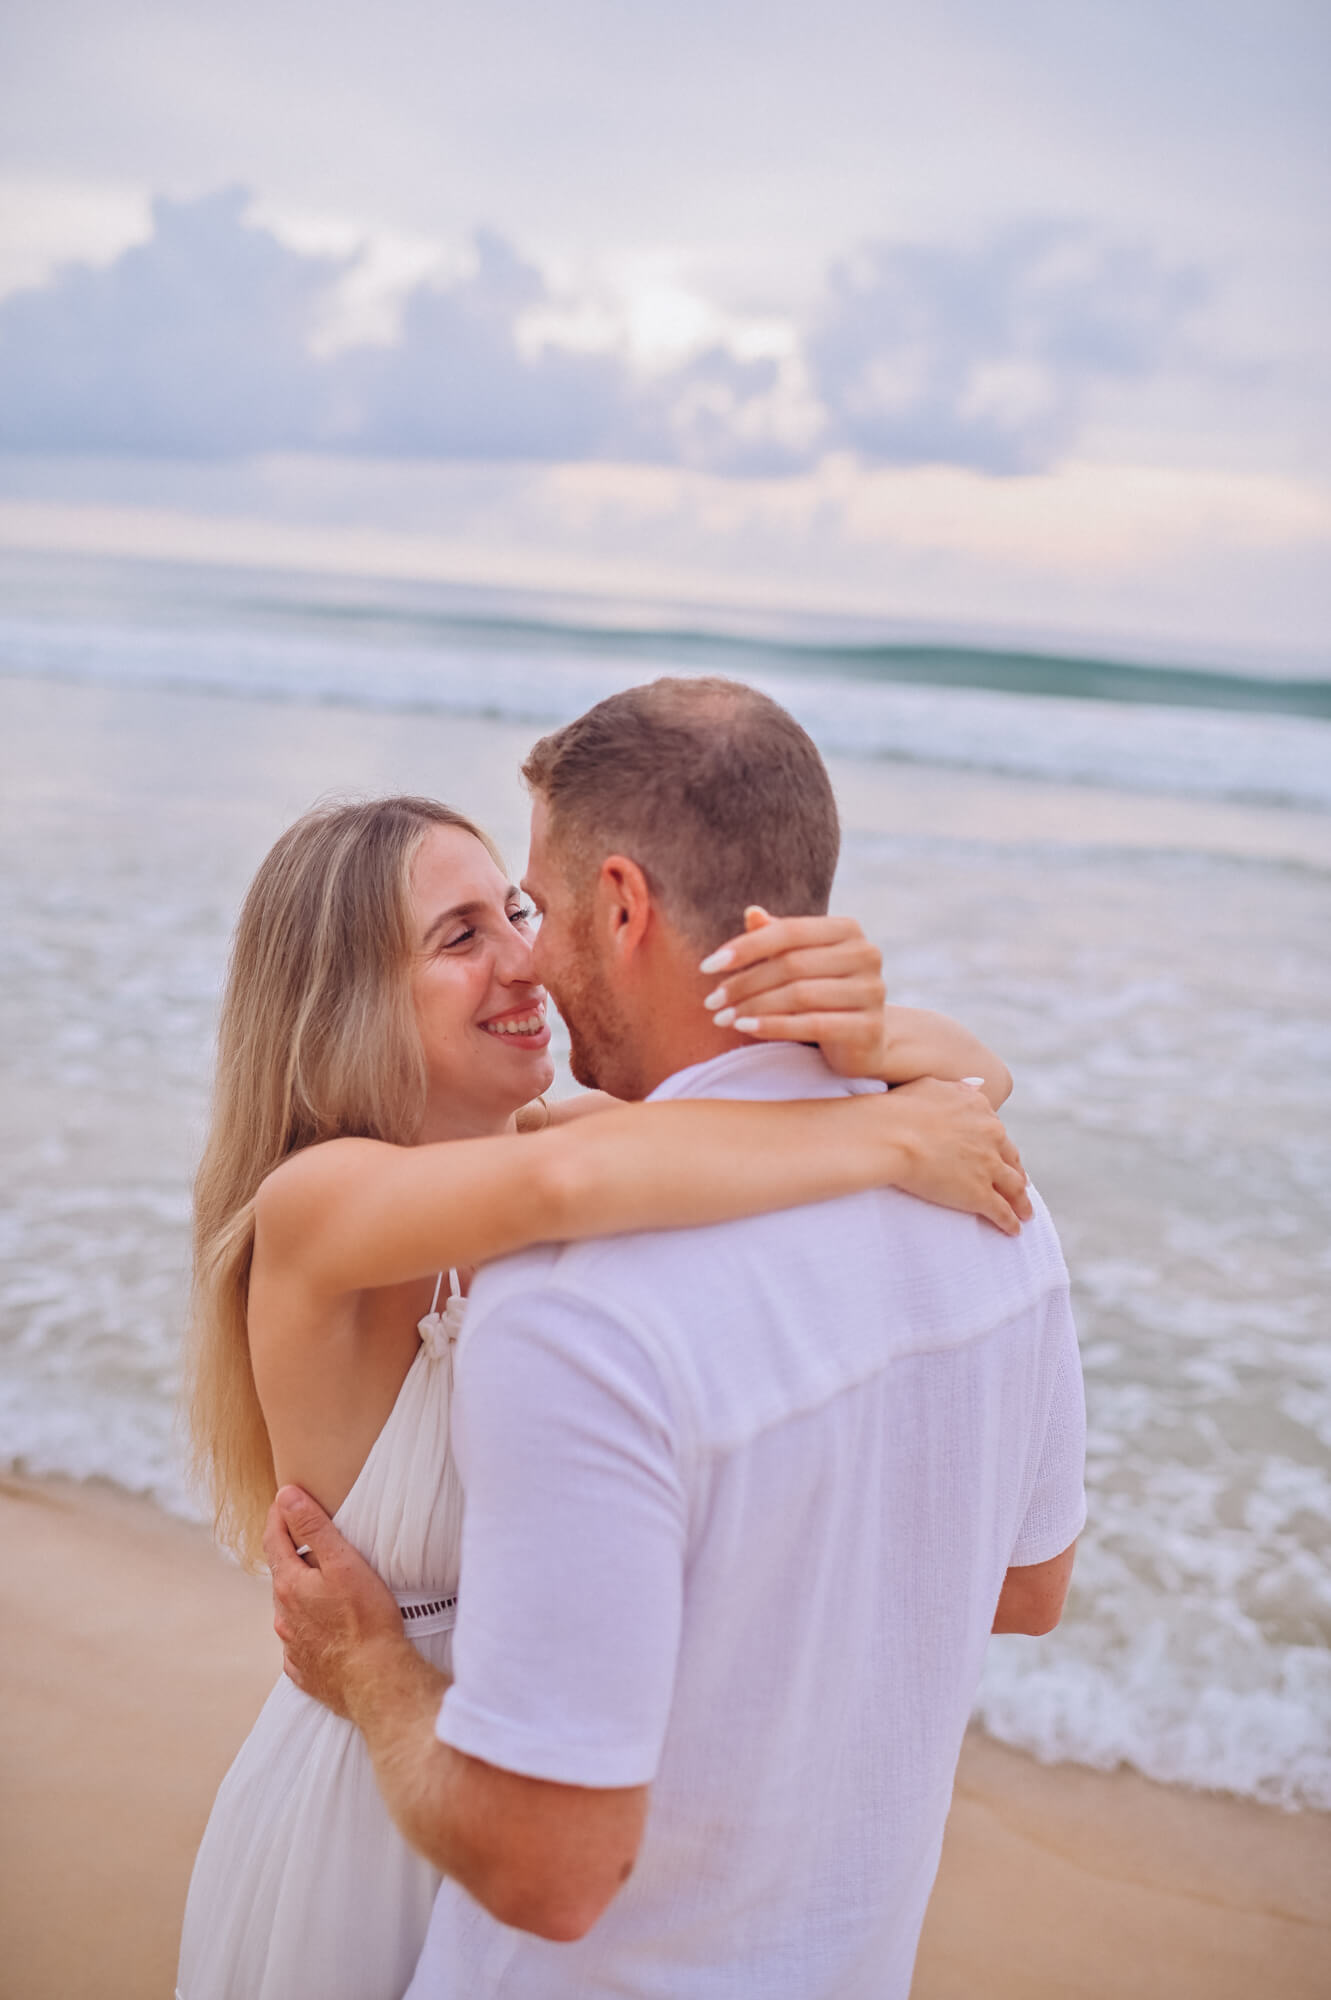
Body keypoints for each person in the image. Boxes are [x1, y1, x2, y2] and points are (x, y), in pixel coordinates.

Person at [268, 677, 1086, 2000]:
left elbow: (964, 1079)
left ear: (623, 906)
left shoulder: (580, 1211)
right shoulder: (324, 1206)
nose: (524, 959)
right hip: (392, 1808)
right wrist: (882, 1121)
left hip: (510, 1796)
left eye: (525, 908)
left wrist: (877, 1045)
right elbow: (567, 1186)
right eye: (463, 934)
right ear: (343, 991)